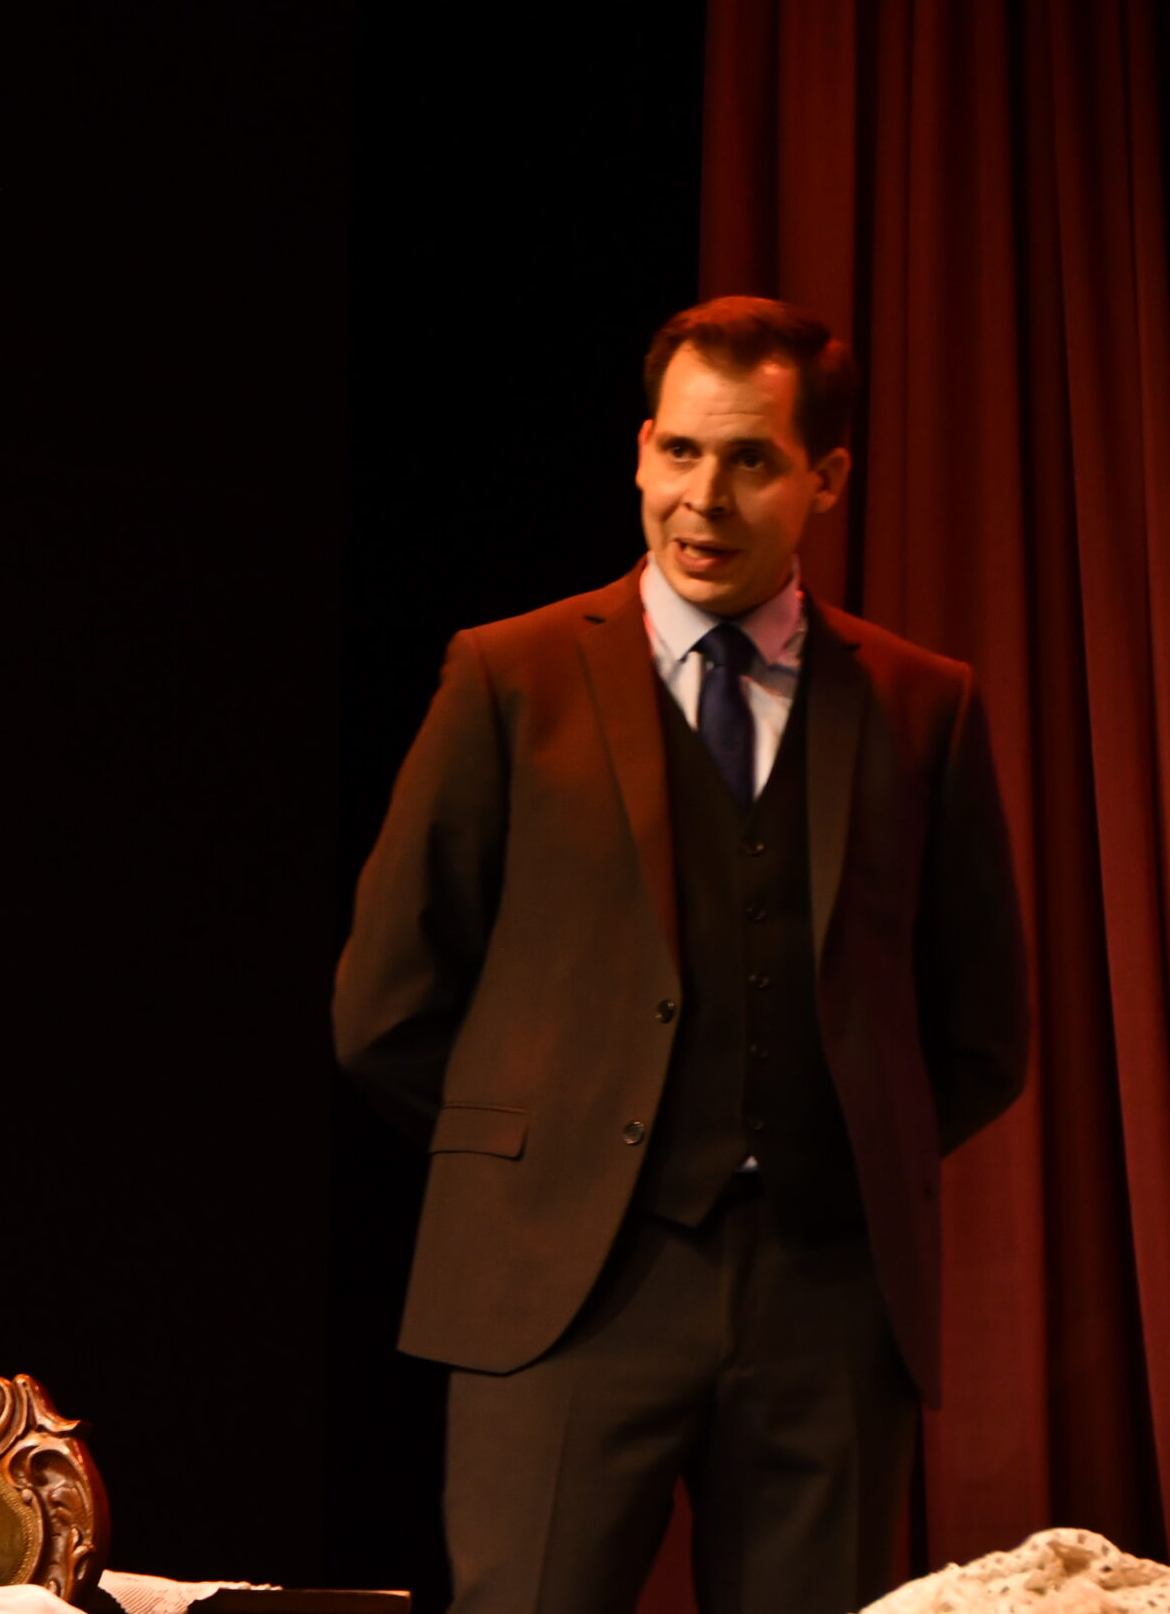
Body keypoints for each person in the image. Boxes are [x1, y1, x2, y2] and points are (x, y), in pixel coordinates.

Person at [333, 297, 1029, 1614]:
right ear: (643, 449)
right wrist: (557, 1150)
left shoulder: (919, 703)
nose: (704, 498)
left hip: (829, 1299)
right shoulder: (509, 677)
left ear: (826, 478)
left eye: (752, 460)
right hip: (565, 1288)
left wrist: (839, 1150)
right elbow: (387, 1002)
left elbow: (978, 1029)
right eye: (682, 452)